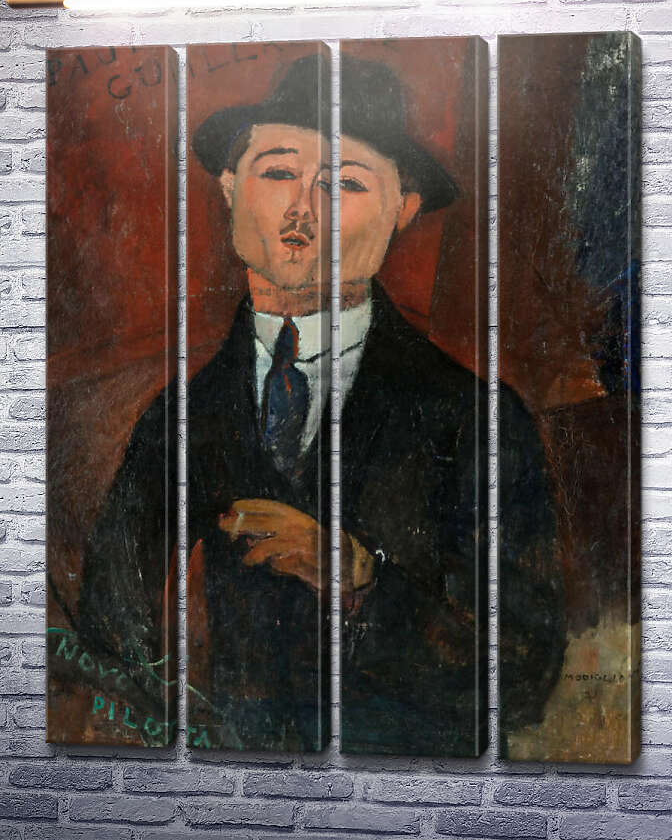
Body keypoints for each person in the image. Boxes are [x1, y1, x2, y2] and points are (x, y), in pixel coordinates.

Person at [77, 53, 565, 755]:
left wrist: (365, 584)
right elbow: (105, 630)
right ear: (229, 189)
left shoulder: (475, 417)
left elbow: (525, 671)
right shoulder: (180, 415)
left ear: (402, 211)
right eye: (278, 172)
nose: (302, 208)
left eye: (345, 182)